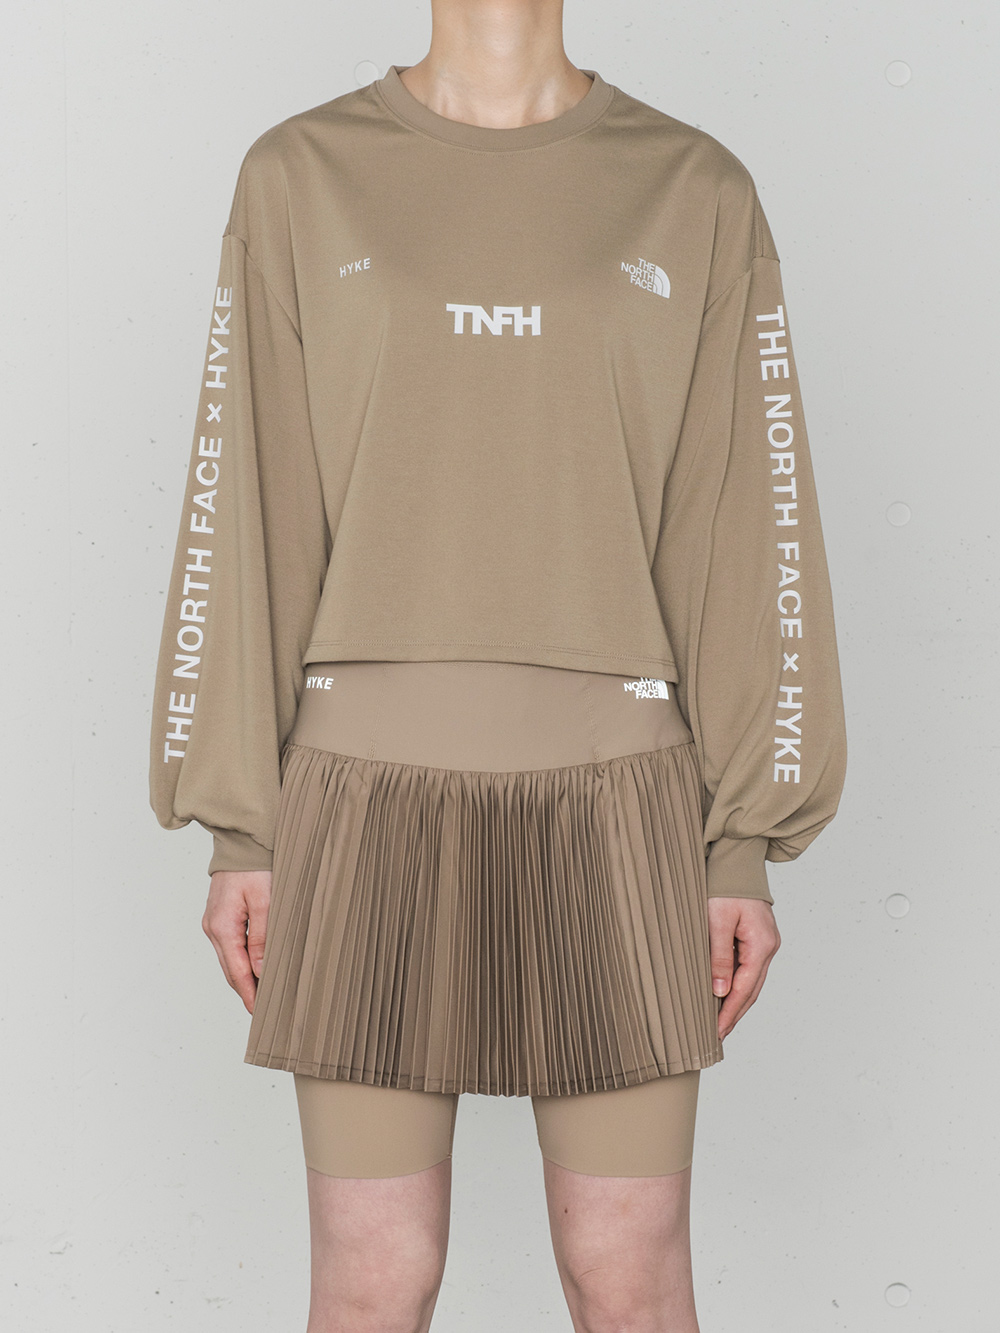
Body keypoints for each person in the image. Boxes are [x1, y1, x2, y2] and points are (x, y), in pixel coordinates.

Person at [148, 2, 848, 1329]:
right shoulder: (299, 174)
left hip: (621, 796)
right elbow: (250, 501)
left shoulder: (694, 187)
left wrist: (741, 841)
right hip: (359, 799)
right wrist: (242, 824)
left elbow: (743, 523)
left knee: (627, 1274)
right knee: (376, 1280)